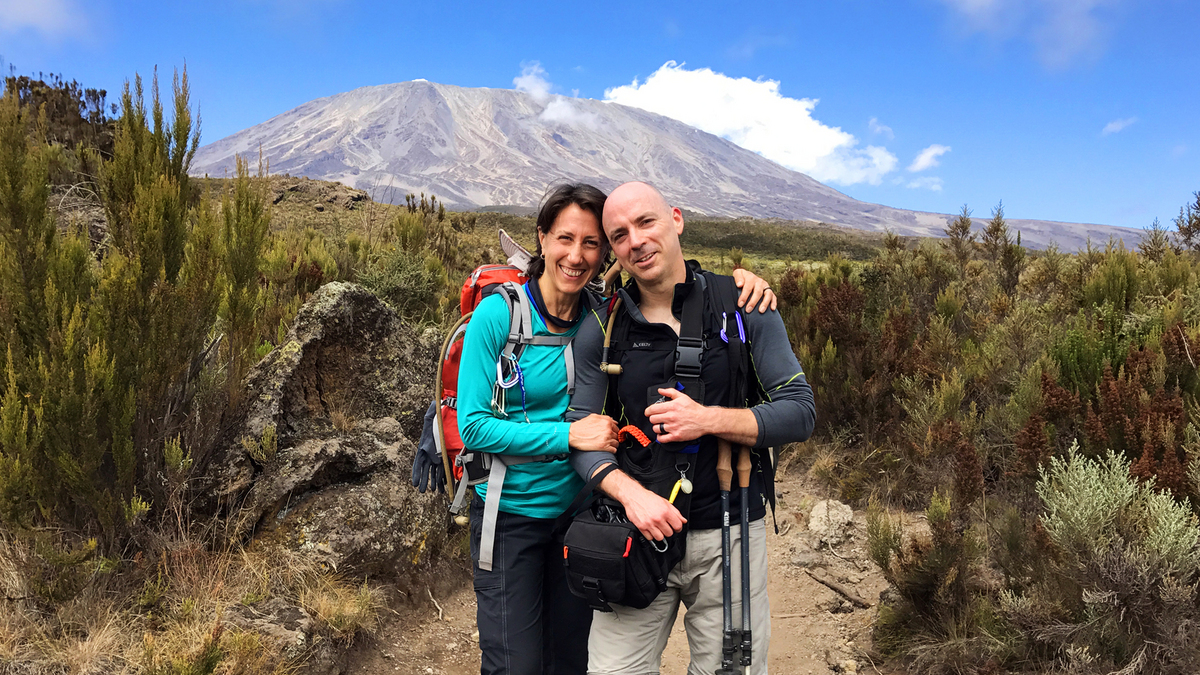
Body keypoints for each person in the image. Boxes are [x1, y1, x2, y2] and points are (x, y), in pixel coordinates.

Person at [456, 182, 777, 675]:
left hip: (580, 514)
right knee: (514, 664)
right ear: (541, 239)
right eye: (565, 239)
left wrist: (738, 282)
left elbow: (677, 288)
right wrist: (568, 436)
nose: (576, 255)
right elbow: (473, 426)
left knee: (574, 659)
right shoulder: (499, 315)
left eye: (591, 243)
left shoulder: (600, 314)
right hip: (512, 515)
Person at [568, 181, 816, 675]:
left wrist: (707, 420)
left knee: (732, 670)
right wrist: (631, 496)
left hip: (730, 536)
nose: (636, 241)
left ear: (676, 219)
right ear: (613, 251)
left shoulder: (744, 304)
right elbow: (581, 433)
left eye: (646, 222)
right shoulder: (603, 326)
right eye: (619, 235)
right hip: (635, 534)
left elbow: (800, 411)